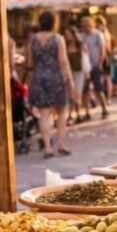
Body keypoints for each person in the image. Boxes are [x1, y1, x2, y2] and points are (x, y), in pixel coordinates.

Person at [25, 11, 73, 157]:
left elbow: (30, 62)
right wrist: (69, 81)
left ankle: (47, 147)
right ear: (54, 22)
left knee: (44, 113)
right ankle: (61, 144)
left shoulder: (33, 40)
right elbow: (63, 61)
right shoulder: (58, 39)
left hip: (38, 78)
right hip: (55, 77)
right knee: (62, 111)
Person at [79, 16, 109, 118]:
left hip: (95, 65)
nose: (85, 28)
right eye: (83, 26)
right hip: (85, 67)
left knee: (98, 88)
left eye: (87, 25)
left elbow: (102, 48)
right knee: (85, 90)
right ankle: (87, 112)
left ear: (91, 24)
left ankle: (104, 109)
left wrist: (100, 62)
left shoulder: (97, 34)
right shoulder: (81, 36)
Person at [64, 24, 87, 124]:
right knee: (70, 94)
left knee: (77, 93)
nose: (66, 36)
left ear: (73, 35)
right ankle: (71, 115)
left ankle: (77, 114)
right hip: (69, 73)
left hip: (79, 72)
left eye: (67, 34)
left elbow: (85, 59)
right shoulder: (64, 45)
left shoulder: (80, 45)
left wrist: (87, 72)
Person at [95, 16, 114, 104]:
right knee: (106, 78)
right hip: (106, 57)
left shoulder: (101, 33)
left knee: (104, 78)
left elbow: (106, 47)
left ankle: (105, 98)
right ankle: (107, 98)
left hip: (104, 58)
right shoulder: (107, 33)